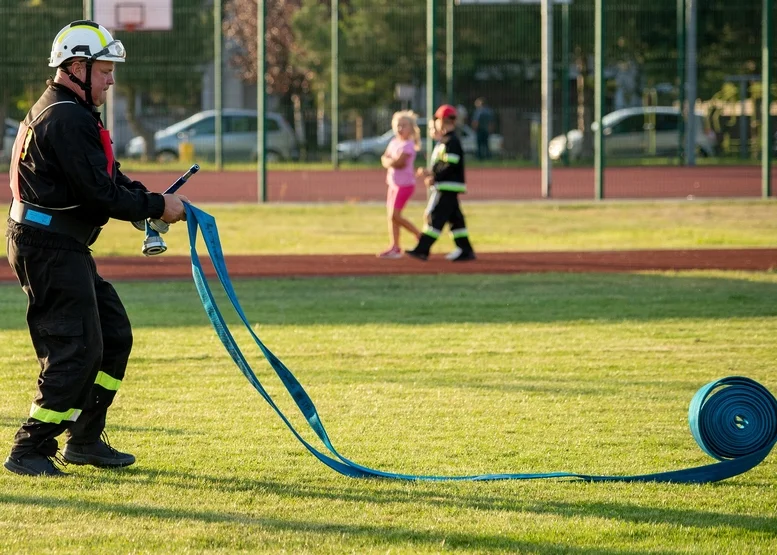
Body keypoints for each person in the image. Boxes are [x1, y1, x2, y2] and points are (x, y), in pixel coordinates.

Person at [3, 20, 189, 477]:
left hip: (61, 244)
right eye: (105, 70)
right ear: (76, 67)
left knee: (113, 336)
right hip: (48, 246)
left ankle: (84, 440)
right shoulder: (65, 117)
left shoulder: (72, 111)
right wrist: (156, 205)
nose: (111, 80)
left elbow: (108, 176)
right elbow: (100, 196)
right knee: (76, 347)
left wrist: (148, 201)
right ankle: (29, 449)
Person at [406, 105, 475, 262]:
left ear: (441, 121)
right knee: (456, 220)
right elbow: (444, 165)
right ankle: (465, 249)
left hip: (447, 186)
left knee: (435, 217)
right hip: (447, 185)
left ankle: (422, 249)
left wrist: (434, 176)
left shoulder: (451, 141)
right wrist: (432, 173)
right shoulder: (446, 141)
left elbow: (450, 165)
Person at [377, 110, 421, 259]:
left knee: (395, 215)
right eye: (398, 125)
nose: (400, 128)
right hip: (393, 184)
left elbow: (398, 163)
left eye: (404, 125)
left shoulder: (408, 145)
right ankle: (394, 246)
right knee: (391, 217)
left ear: (411, 128)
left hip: (405, 185)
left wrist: (388, 162)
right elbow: (384, 158)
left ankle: (419, 235)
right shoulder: (394, 142)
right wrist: (388, 161)